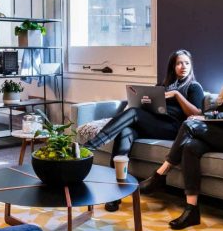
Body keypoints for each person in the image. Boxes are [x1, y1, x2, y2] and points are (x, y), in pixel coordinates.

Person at [139, 46, 223, 230]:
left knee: (189, 124)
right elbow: (222, 110)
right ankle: (192, 210)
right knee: (190, 147)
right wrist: (209, 113)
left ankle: (160, 174)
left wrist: (208, 118)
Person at [84, 49, 205, 212]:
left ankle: (93, 144)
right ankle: (115, 193)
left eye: (187, 63)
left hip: (173, 128)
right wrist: (144, 101)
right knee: (125, 131)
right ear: (173, 66)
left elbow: (196, 113)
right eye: (179, 63)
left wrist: (176, 95)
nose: (183, 66)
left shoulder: (194, 87)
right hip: (154, 124)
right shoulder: (162, 86)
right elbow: (151, 107)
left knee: (133, 114)